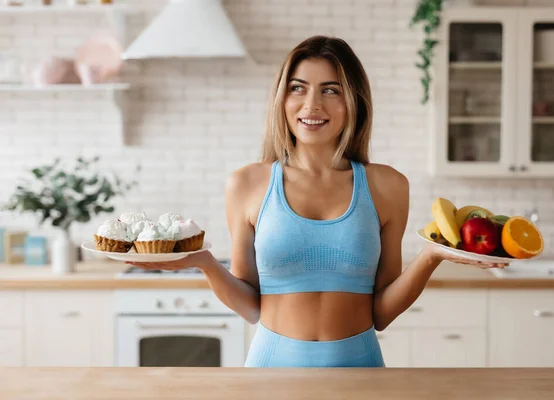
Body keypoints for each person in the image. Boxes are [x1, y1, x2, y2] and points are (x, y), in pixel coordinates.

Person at [127, 35, 507, 368]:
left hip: (360, 371)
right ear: (282, 98)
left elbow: (382, 313)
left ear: (352, 100)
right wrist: (203, 263)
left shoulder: (387, 186)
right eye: (298, 88)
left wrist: (430, 257)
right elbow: (250, 306)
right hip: (271, 368)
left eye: (330, 89)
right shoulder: (247, 183)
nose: (312, 105)